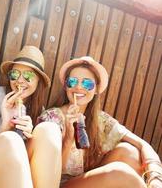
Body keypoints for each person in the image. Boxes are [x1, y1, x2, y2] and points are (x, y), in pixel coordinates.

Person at [38, 56, 162, 188]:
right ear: (66, 86)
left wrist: (155, 176)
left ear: (96, 89)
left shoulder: (100, 120)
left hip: (86, 181)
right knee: (120, 172)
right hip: (57, 183)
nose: (79, 87)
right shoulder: (52, 118)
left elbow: (142, 145)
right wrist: (68, 137)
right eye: (72, 81)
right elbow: (50, 172)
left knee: (129, 152)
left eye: (87, 84)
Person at [0, 45, 62, 188]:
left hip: (16, 177)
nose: (20, 81)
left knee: (50, 129)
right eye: (15, 75)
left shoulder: (37, 109)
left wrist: (29, 139)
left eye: (28, 76)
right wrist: (6, 125)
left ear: (38, 82)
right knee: (11, 139)